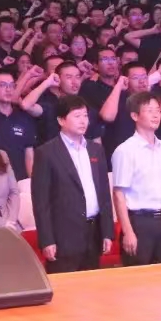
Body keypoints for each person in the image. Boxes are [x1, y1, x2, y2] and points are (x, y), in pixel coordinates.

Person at [31, 95, 114, 273]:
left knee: (93, 285)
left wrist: (107, 232)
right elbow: (41, 201)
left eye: (85, 116)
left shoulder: (96, 150)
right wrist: (47, 240)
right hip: (63, 237)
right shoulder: (46, 153)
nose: (83, 121)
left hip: (94, 233)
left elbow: (104, 194)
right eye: (77, 116)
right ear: (61, 120)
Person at [111, 91, 161, 266]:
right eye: (149, 110)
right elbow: (119, 194)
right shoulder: (125, 151)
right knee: (138, 276)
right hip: (139, 222)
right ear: (135, 116)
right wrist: (128, 231)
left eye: (158, 110)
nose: (156, 115)